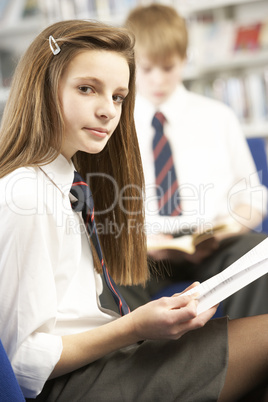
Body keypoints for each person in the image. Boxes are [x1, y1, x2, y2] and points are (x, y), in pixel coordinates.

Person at [0, 18, 267, 402]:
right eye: (87, 89)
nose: (108, 110)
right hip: (84, 380)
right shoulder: (26, 196)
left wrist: (137, 328)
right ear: (42, 88)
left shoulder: (66, 183)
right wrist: (134, 327)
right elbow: (22, 363)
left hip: (109, 355)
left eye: (118, 97)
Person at [117, 4, 268, 319]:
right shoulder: (113, 125)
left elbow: (252, 198)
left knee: (258, 255)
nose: (158, 79)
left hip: (212, 244)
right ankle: (132, 364)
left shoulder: (218, 117)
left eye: (168, 67)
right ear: (129, 64)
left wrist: (224, 232)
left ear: (185, 60)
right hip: (143, 252)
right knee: (109, 276)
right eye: (146, 69)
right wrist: (137, 241)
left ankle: (247, 356)